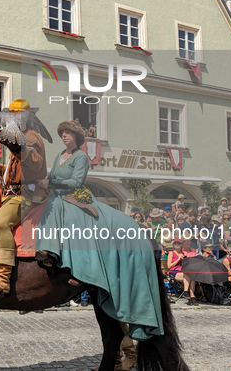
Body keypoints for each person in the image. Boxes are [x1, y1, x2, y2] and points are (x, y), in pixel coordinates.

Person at [35, 121, 164, 338]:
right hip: (56, 194)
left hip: (72, 196)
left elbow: (76, 181)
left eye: (68, 133)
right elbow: (54, 176)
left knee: (72, 219)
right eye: (62, 134)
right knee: (47, 206)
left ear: (76, 136)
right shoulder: (59, 156)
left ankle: (66, 260)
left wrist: (52, 183)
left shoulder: (81, 157)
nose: (64, 136)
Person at [0, 99, 47, 293]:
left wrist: (19, 148)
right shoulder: (21, 135)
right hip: (14, 192)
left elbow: (35, 163)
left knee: (0, 223)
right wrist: (4, 170)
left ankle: (3, 278)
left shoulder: (31, 137)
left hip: (27, 195)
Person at [167, 239, 197, 305]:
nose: (177, 245)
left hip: (183, 272)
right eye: (175, 244)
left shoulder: (183, 253)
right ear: (173, 245)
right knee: (188, 274)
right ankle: (186, 291)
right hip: (174, 272)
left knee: (192, 276)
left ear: (181, 245)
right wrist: (178, 259)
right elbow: (169, 266)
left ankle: (192, 297)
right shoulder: (172, 253)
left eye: (178, 244)